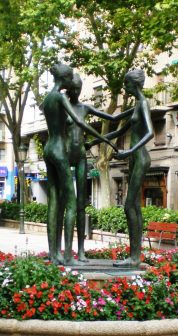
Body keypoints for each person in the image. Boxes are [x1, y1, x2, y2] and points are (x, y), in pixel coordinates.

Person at [42, 63, 117, 265]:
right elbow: (80, 122)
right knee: (72, 204)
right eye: (70, 82)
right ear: (65, 80)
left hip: (48, 148)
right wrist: (106, 139)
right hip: (59, 150)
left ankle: (54, 253)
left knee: (55, 202)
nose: (72, 88)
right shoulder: (59, 97)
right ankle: (67, 256)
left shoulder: (47, 98)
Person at [89, 69, 153, 267]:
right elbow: (116, 124)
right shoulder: (135, 107)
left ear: (134, 84)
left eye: (126, 84)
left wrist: (129, 151)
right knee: (134, 207)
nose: (124, 88)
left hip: (140, 157)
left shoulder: (143, 104)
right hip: (133, 158)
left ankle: (134, 257)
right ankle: (135, 255)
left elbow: (150, 132)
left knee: (128, 206)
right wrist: (93, 141)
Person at [66, 74, 133, 262]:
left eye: (79, 88)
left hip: (80, 156)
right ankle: (66, 251)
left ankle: (80, 251)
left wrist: (136, 109)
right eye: (74, 88)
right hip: (64, 155)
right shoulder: (63, 107)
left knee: (80, 206)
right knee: (68, 204)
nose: (77, 91)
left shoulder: (84, 108)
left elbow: (113, 117)